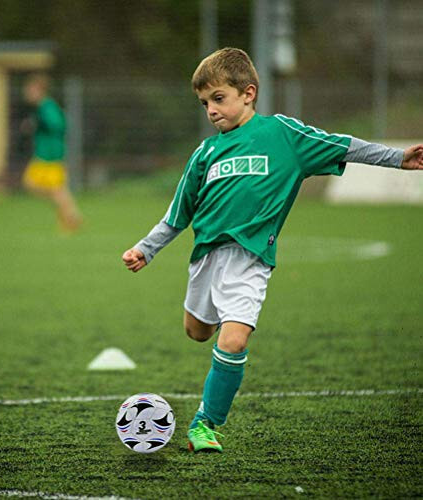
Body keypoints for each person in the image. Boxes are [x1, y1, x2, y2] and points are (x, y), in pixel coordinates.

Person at [122, 48, 423, 453]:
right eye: (205, 103)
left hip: (250, 260)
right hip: (206, 260)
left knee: (233, 341)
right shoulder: (204, 154)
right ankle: (209, 335)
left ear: (248, 93)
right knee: (197, 332)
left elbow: (341, 145)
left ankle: (205, 424)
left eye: (219, 98)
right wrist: (146, 248)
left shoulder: (282, 135)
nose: (211, 110)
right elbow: (178, 215)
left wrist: (396, 157)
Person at [21, 73, 82, 231]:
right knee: (50, 189)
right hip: (45, 154)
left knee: (46, 188)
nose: (27, 93)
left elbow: (58, 124)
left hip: (50, 155)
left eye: (30, 89)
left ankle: (71, 217)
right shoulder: (42, 107)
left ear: (39, 90)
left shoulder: (46, 106)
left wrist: (37, 124)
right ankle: (70, 215)